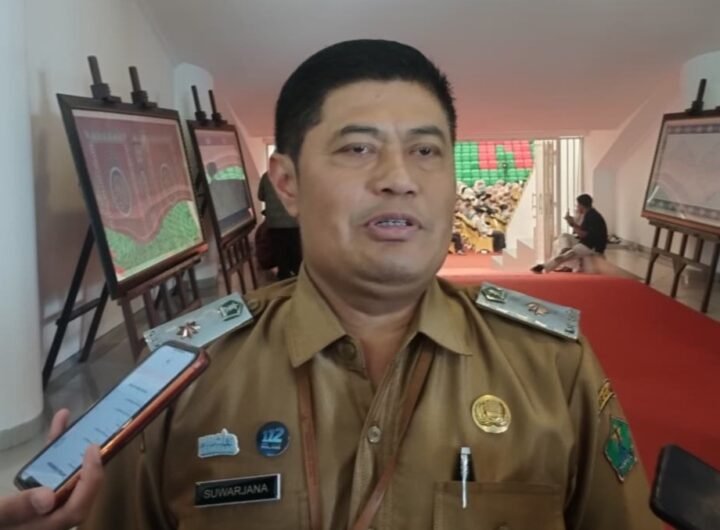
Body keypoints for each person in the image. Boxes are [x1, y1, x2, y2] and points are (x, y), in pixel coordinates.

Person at [9, 39, 659, 530]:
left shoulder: (552, 367)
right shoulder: (185, 376)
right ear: (287, 183)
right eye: (357, 149)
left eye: (427, 151)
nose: (399, 178)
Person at [531, 193, 609, 274]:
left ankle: (544, 267)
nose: (577, 207)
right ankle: (565, 250)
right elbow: (583, 231)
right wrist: (572, 223)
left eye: (577, 205)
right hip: (586, 243)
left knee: (564, 256)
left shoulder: (592, 216)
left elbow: (584, 235)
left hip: (592, 247)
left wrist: (573, 224)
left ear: (581, 205)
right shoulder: (590, 213)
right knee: (564, 236)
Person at [257, 171, 302, 279]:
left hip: (274, 223)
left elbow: (260, 196)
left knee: (280, 253)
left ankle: (283, 275)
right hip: (293, 222)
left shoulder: (266, 176)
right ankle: (297, 276)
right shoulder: (295, 175)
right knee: (295, 252)